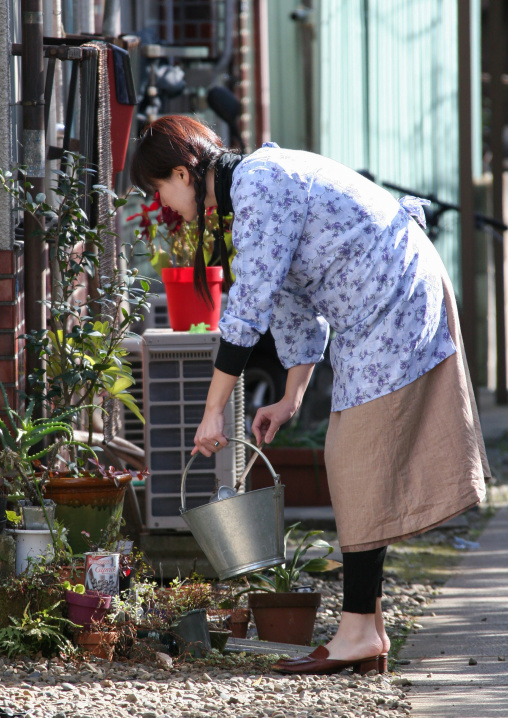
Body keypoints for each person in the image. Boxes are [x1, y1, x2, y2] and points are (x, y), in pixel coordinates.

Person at [130, 115, 490, 675]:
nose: (164, 206)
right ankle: (366, 629)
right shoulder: (255, 185)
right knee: (352, 461)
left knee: (355, 463)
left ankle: (356, 632)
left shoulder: (256, 185)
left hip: (392, 299)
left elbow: (245, 312)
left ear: (182, 171)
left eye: (160, 191)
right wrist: (292, 395)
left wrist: (211, 413)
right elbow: (292, 302)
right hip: (382, 303)